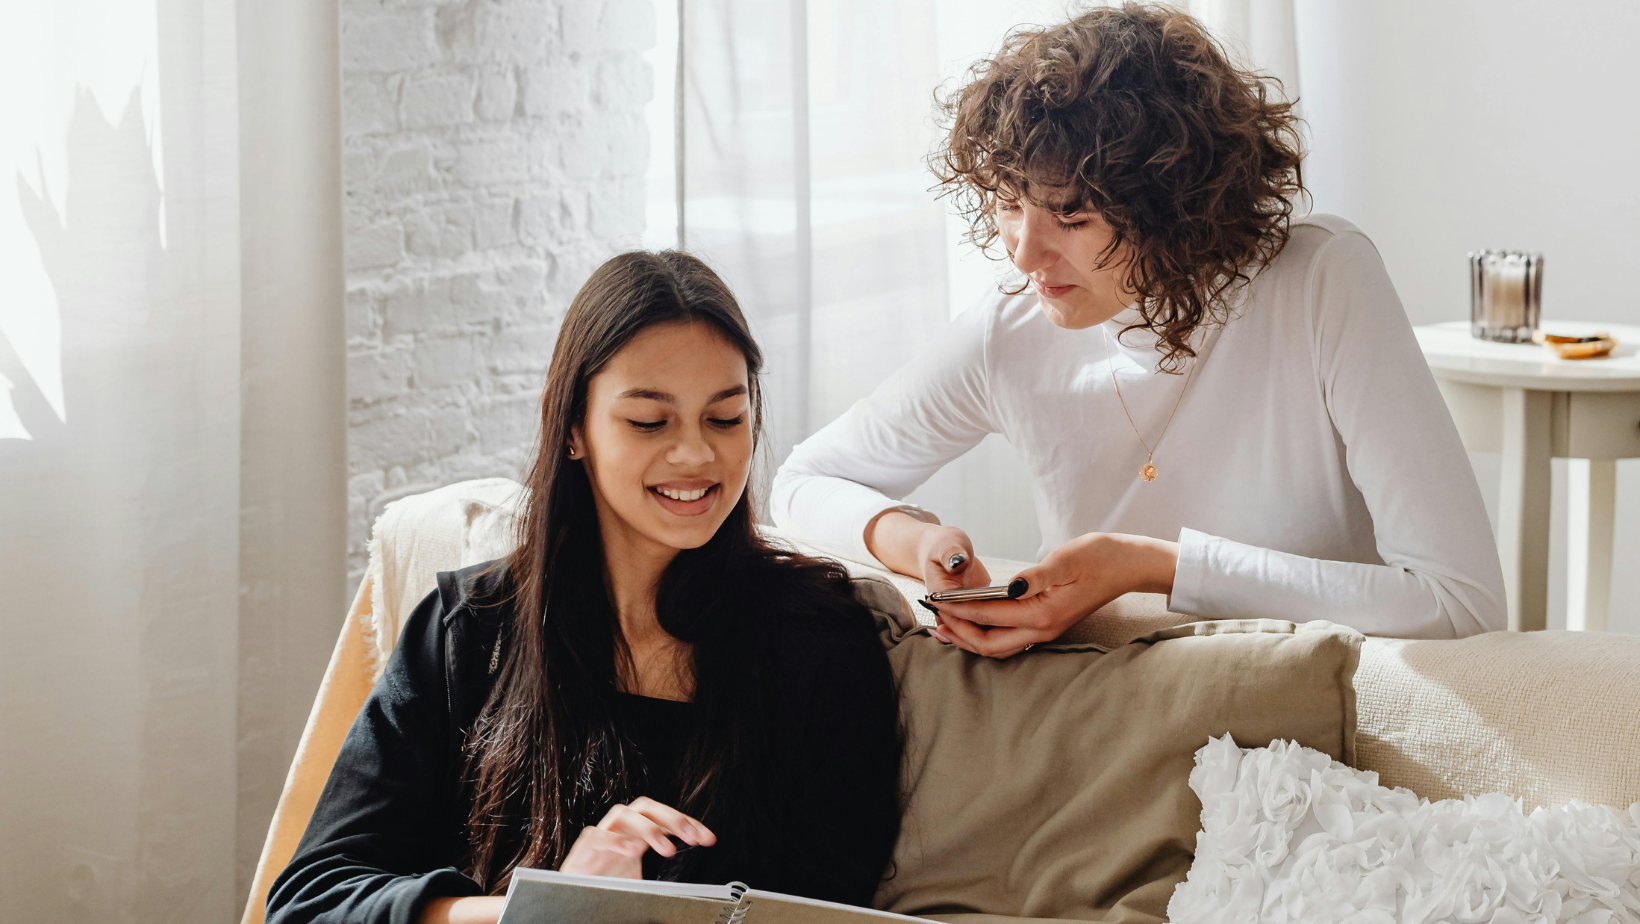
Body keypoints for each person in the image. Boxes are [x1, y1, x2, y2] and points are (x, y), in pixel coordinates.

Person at [771, 3, 1505, 654]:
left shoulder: (1318, 281)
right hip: (1110, 721)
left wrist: (1152, 566)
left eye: (1071, 216)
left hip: (1303, 726)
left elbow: (1461, 603)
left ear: (1176, 207)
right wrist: (921, 540)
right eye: (1006, 204)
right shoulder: (1012, 332)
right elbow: (806, 480)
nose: (1024, 254)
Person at [268, 252, 902, 924]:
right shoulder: (468, 631)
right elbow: (310, 901)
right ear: (573, 429)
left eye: (725, 418)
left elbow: (831, 908)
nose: (696, 454)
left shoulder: (818, 643)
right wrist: (540, 910)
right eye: (649, 422)